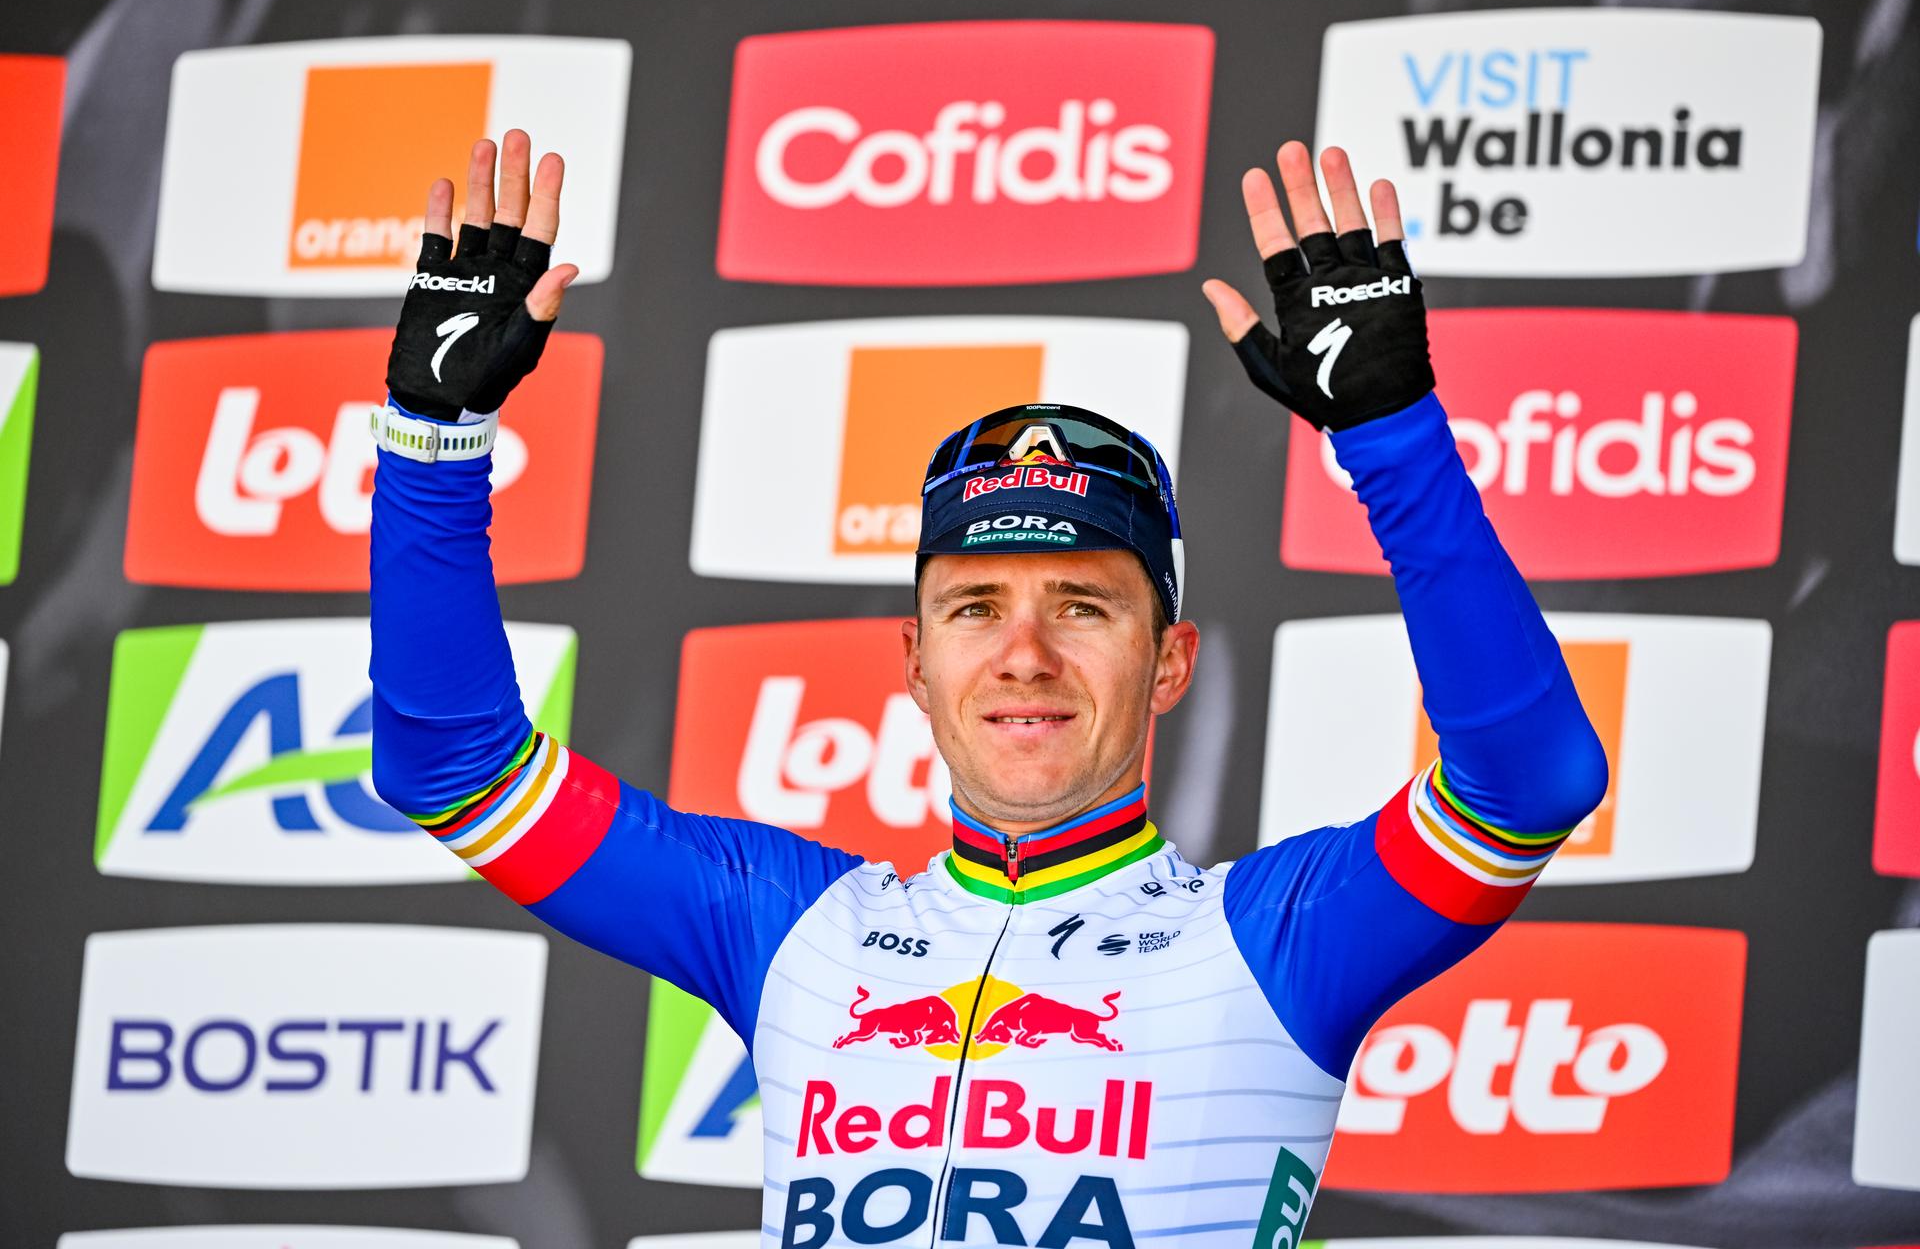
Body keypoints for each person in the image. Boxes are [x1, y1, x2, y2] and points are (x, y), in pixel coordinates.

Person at [369, 129, 1607, 1248]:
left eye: (1084, 605)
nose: (1025, 652)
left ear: (1170, 662)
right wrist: (434, 438)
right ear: (913, 661)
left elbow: (1531, 776)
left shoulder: (1276, 938)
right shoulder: (791, 928)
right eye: (973, 607)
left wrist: (1394, 441)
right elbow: (453, 768)